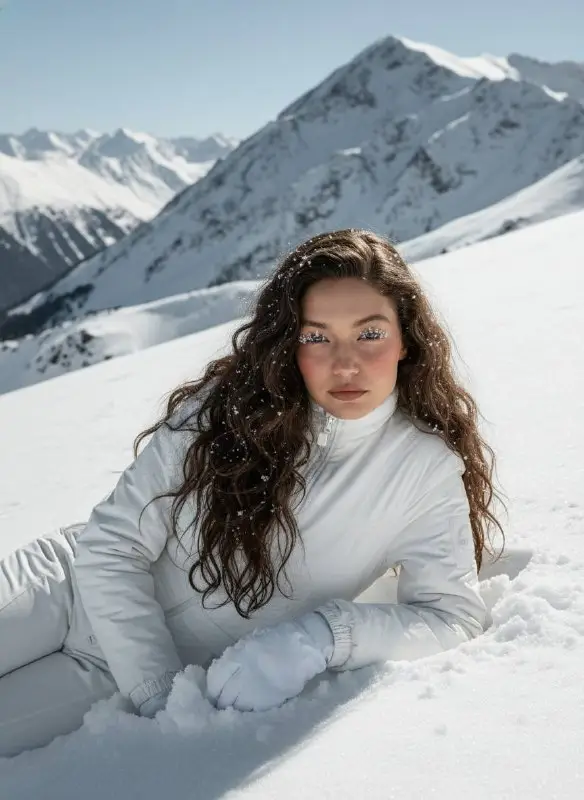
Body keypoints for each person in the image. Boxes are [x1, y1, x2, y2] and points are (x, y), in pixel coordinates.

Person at [0, 229, 505, 757]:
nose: (346, 363)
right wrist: (160, 696)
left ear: (406, 340)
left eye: (370, 333)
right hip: (62, 588)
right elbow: (110, 547)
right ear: (291, 343)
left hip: (105, 677)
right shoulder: (225, 410)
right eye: (318, 337)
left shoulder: (423, 470)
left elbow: (451, 616)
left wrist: (322, 636)